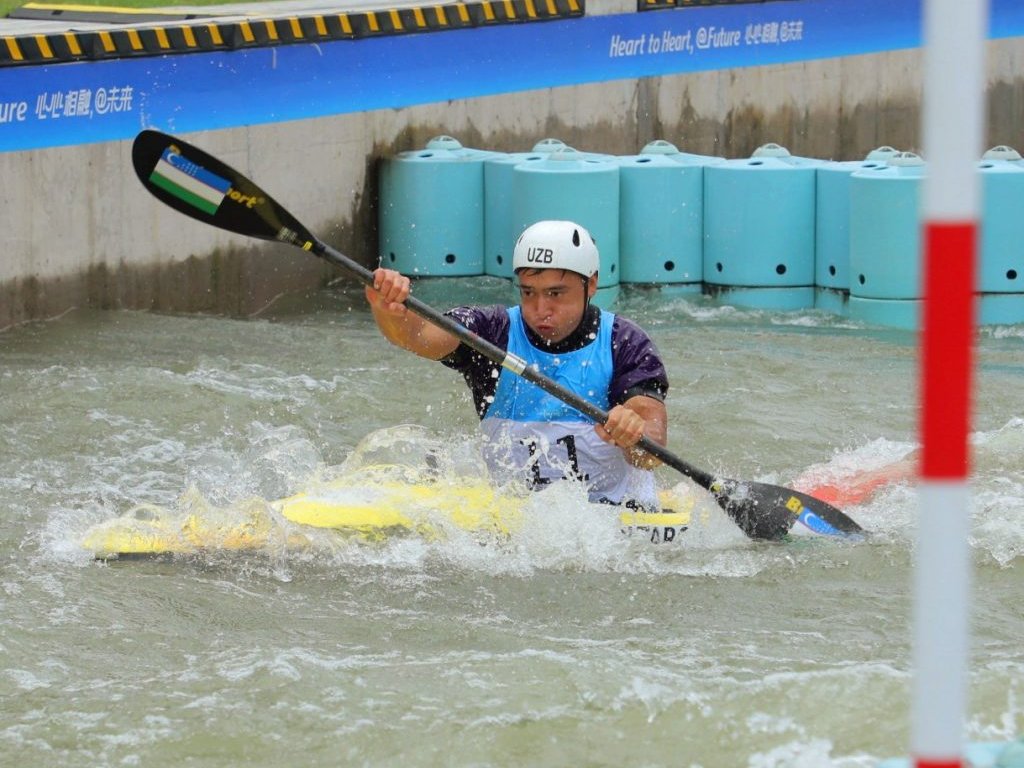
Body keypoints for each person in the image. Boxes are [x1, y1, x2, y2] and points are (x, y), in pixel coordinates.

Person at [364, 219, 670, 511]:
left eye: (555, 293)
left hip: (613, 511)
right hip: (516, 514)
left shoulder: (624, 342)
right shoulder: (493, 333)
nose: (540, 309)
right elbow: (418, 335)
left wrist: (632, 432)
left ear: (590, 284)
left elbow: (651, 450)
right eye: (528, 292)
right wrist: (389, 310)